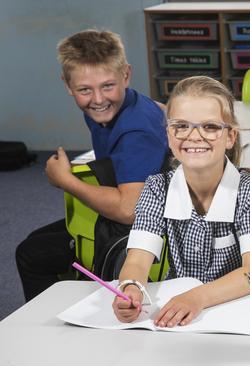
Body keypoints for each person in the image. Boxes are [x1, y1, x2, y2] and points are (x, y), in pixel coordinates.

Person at [15, 29, 168, 301]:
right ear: (67, 84)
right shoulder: (111, 107)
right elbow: (159, 108)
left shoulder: (135, 133)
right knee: (35, 239)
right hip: (131, 199)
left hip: (145, 227)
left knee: (31, 254)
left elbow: (130, 211)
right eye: (85, 89)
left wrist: (66, 181)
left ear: (126, 75)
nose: (98, 99)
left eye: (107, 86)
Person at [112, 76, 250, 328]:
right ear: (168, 135)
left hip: (235, 311)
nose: (194, 136)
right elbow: (137, 260)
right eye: (181, 126)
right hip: (179, 314)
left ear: (230, 137)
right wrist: (130, 287)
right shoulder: (157, 187)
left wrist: (197, 297)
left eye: (209, 126)